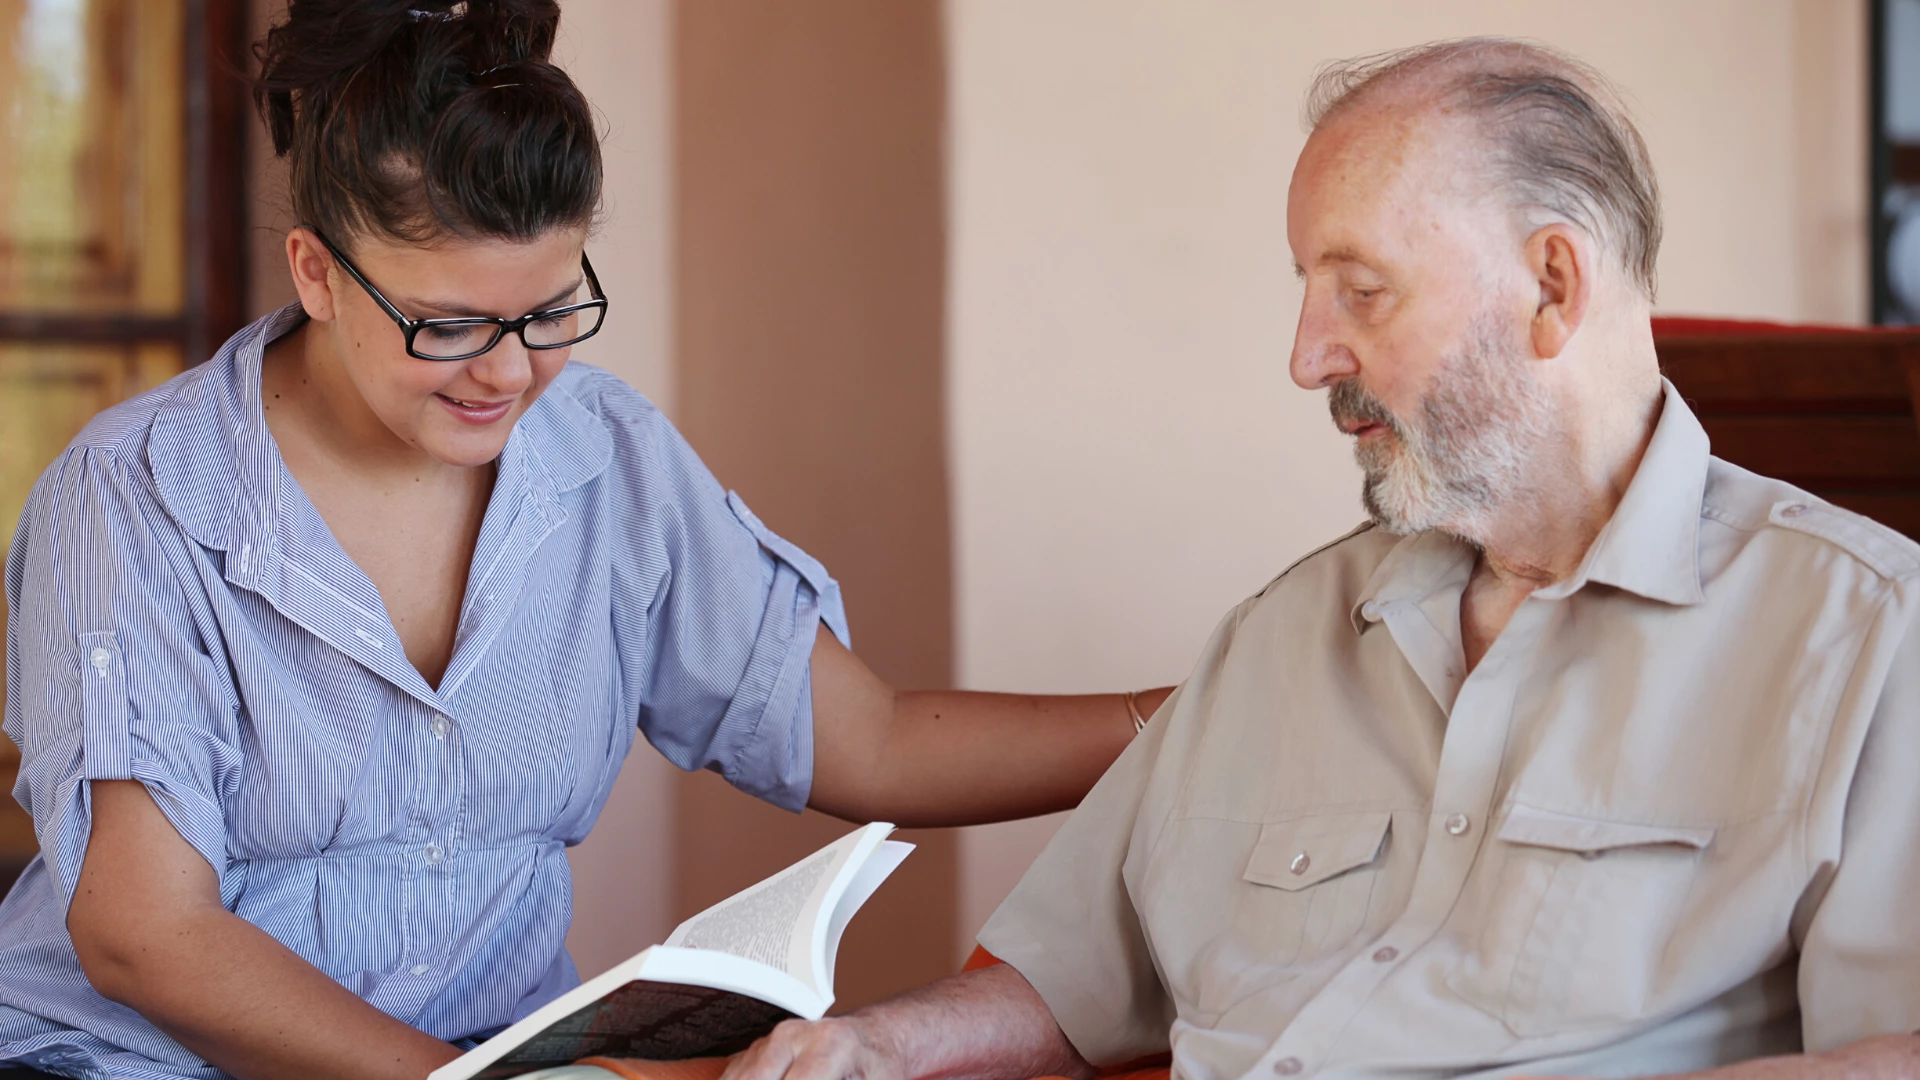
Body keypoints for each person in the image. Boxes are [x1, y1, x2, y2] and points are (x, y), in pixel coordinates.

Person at [0, 3, 1170, 1078]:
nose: (510, 372)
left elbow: (873, 743)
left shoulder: (605, 457)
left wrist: (1202, 712)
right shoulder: (129, 498)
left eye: (551, 310)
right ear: (318, 272)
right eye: (448, 325)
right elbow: (144, 935)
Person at [720, 37, 1920, 1080]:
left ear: (1552, 287)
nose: (1307, 356)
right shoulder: (1282, 634)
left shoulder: (1868, 640)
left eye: (1363, 291)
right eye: (1306, 289)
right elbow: (1075, 975)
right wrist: (880, 1048)